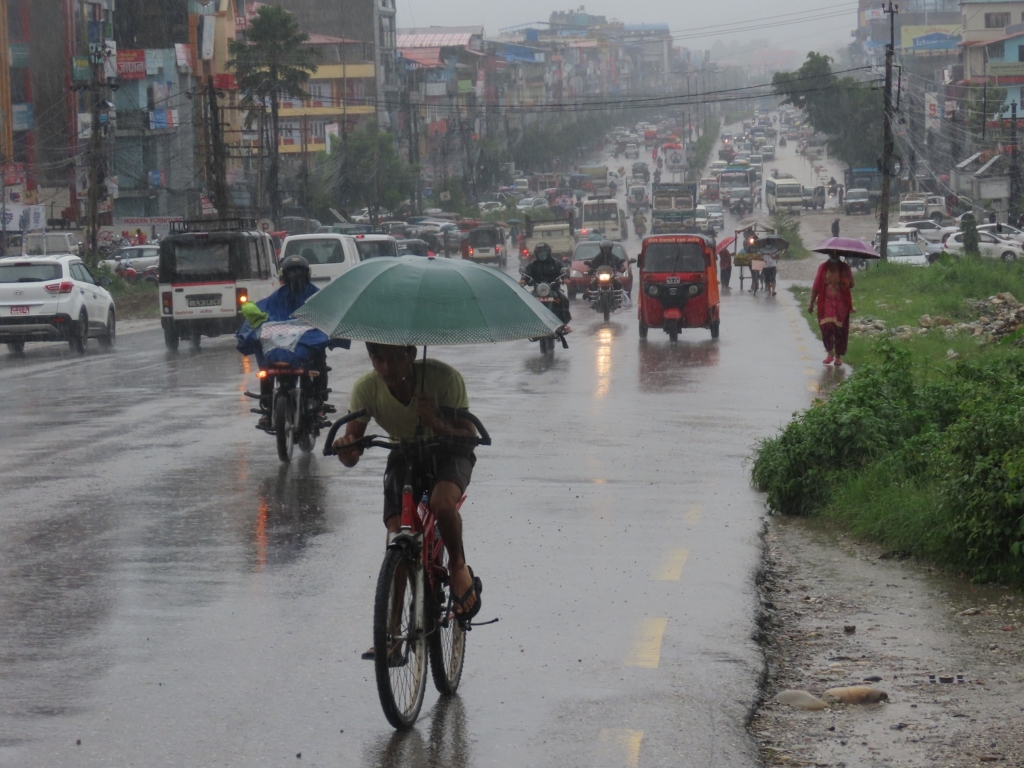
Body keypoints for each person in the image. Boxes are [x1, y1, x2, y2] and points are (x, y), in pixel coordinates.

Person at [333, 344, 482, 630]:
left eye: (395, 358)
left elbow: (468, 437)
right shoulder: (366, 388)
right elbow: (352, 448)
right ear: (371, 359)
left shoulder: (445, 378)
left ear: (411, 355)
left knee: (441, 504)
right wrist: (346, 448)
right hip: (404, 453)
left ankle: (458, 567)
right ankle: (390, 632)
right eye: (378, 359)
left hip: (450, 451)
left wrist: (433, 421)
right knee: (396, 534)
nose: (387, 368)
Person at [242, 254, 327, 428]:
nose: (295, 275)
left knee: (319, 361)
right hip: (283, 340)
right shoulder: (277, 296)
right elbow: (267, 312)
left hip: (307, 338)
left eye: (299, 271)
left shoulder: (316, 296)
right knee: (266, 365)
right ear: (285, 275)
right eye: (292, 272)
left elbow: (326, 315)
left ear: (306, 273)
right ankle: (267, 407)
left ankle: (318, 405)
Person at [808, 252, 855, 367]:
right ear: (828, 253)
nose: (833, 254)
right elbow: (816, 286)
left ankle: (838, 356)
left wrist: (846, 281)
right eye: (831, 252)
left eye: (836, 252)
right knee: (827, 327)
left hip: (841, 303)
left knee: (840, 330)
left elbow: (852, 284)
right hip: (826, 302)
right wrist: (811, 303)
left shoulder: (845, 268)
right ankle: (830, 353)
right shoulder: (822, 268)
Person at [521, 242, 571, 325]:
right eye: (540, 253)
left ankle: (563, 324)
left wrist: (565, 278)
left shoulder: (555, 263)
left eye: (544, 252)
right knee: (527, 301)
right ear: (536, 254)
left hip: (553, 289)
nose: (542, 254)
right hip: (538, 290)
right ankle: (529, 324)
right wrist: (523, 280)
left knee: (563, 300)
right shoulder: (533, 264)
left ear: (548, 252)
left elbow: (563, 270)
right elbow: (526, 273)